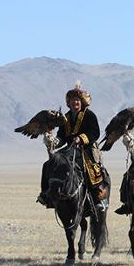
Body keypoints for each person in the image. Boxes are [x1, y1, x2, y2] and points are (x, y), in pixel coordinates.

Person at [38, 82, 109, 210]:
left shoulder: (89, 115)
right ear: (68, 102)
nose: (75, 103)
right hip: (69, 149)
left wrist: (81, 139)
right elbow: (61, 137)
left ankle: (97, 197)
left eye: (77, 100)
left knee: (91, 169)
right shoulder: (65, 117)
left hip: (86, 149)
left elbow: (95, 133)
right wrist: (52, 141)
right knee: (49, 164)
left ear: (81, 102)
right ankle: (46, 194)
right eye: (72, 100)